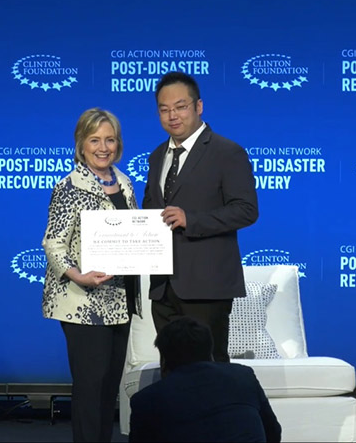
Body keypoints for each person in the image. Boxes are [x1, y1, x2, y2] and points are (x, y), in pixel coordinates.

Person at [142, 71, 258, 363]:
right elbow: (150, 211)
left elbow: (246, 210)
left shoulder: (227, 152)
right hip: (163, 287)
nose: (172, 116)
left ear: (199, 106)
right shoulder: (157, 156)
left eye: (180, 107)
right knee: (171, 370)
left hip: (207, 286)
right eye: (164, 109)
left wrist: (191, 220)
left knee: (209, 369)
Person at [42, 107, 141, 442]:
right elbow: (54, 243)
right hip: (82, 302)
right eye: (95, 140)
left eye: (110, 140)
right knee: (90, 387)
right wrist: (78, 275)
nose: (103, 147)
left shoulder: (125, 183)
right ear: (81, 144)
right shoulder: (69, 187)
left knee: (109, 388)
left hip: (120, 301)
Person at [129, 317, 281, 442]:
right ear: (210, 353)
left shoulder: (146, 400)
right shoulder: (243, 376)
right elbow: (273, 432)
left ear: (164, 360)